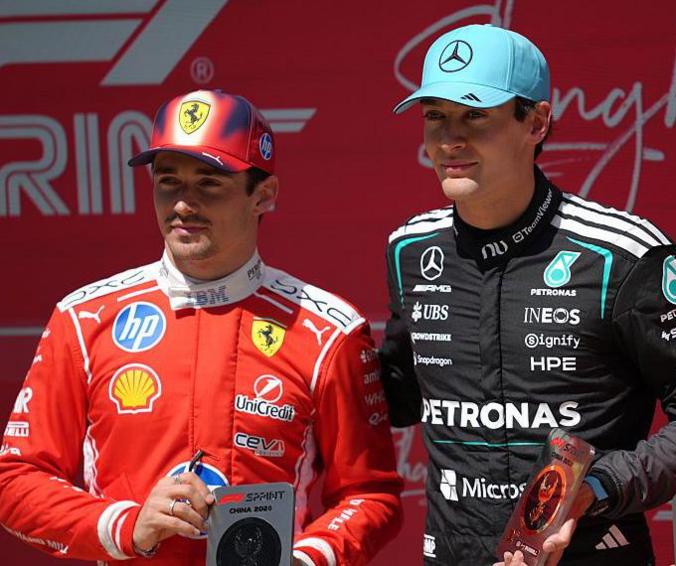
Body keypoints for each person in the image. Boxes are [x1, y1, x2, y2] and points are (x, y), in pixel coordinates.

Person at [0, 90, 403, 565]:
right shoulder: (84, 319)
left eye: (210, 183)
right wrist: (126, 526)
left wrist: (308, 560)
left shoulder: (328, 332)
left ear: (264, 195)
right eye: (168, 182)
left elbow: (370, 494)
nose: (184, 204)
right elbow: (16, 481)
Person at [380, 24, 676, 565]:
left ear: (536, 123)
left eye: (475, 115)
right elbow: (395, 395)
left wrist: (596, 488)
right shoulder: (409, 250)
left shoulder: (627, 255)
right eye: (434, 115)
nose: (448, 139)